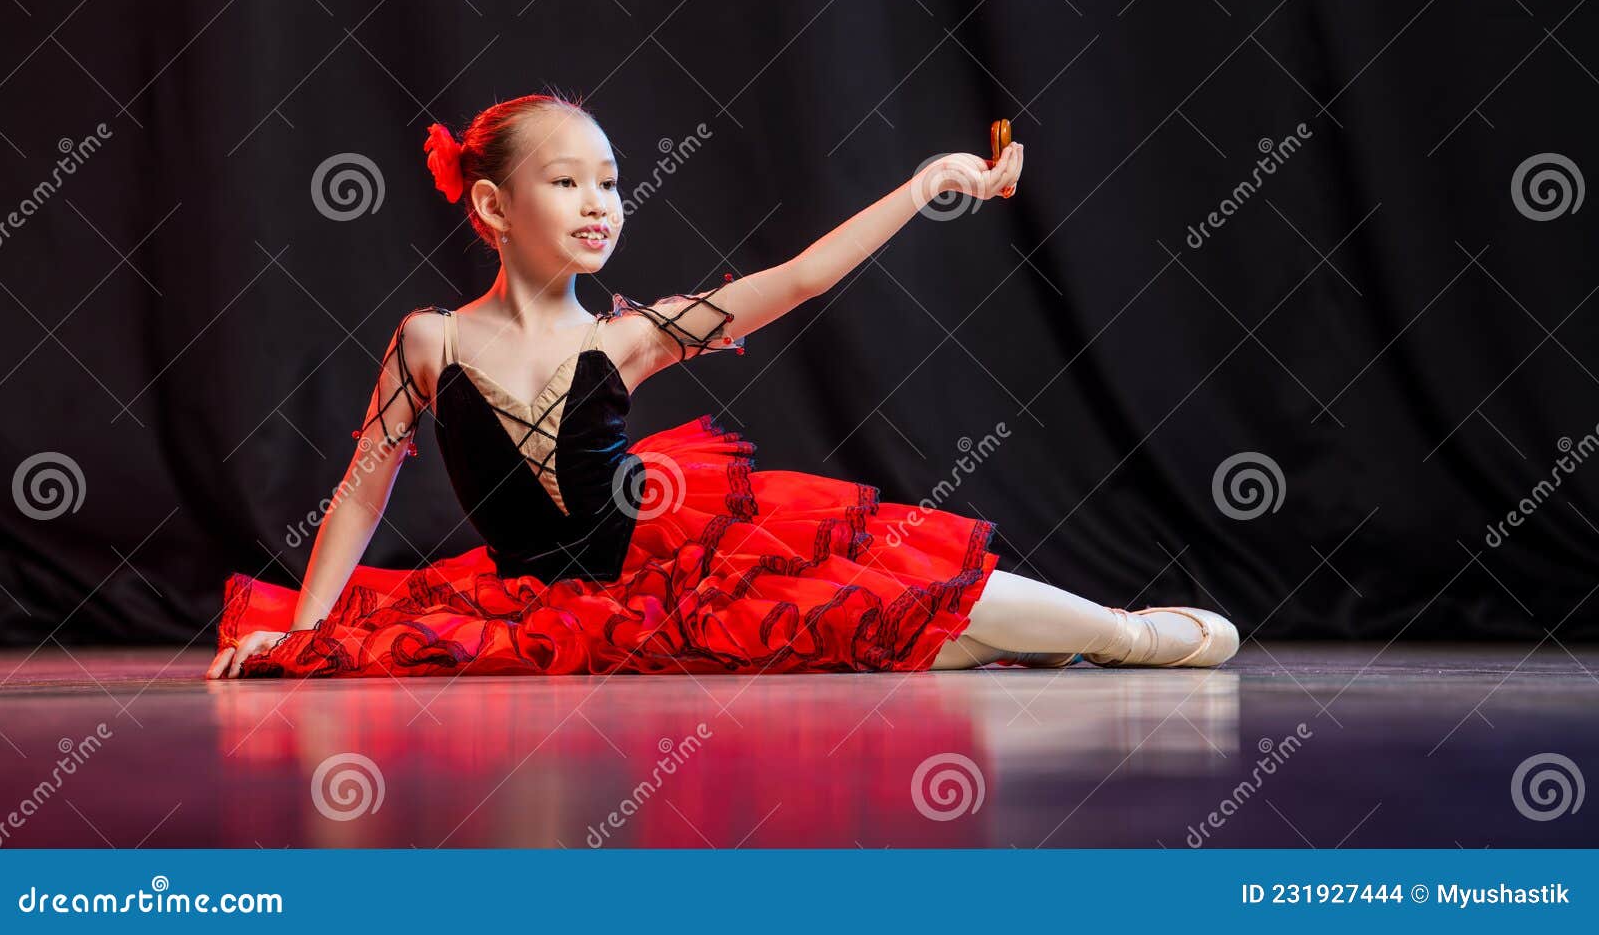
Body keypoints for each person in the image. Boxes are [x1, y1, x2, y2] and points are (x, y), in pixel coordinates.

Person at [206, 92, 1238, 680]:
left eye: (610, 180)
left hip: (665, 560)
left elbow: (796, 280)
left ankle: (1117, 630)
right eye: (567, 180)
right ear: (491, 202)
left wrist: (923, 187)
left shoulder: (632, 336)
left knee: (882, 583)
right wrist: (303, 633)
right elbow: (364, 482)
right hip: (535, 597)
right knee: (873, 638)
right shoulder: (428, 339)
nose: (599, 201)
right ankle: (1011, 643)